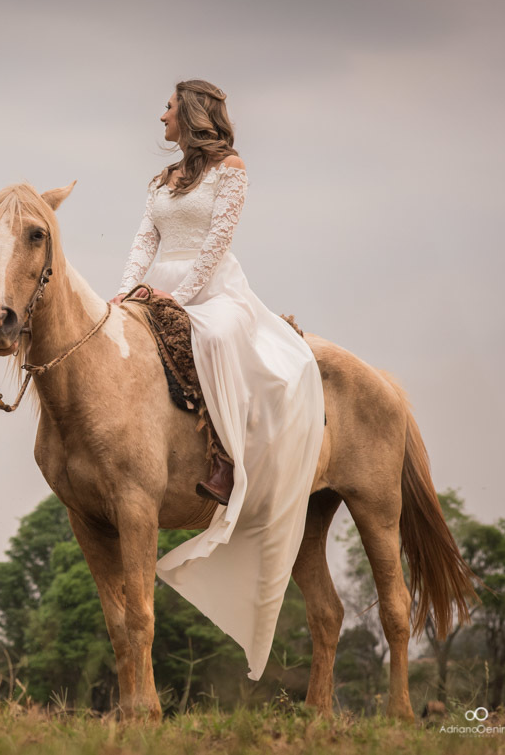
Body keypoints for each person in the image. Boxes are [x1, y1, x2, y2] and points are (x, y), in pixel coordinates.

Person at [112, 80, 325, 677]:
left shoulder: (231, 171)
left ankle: (226, 458)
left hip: (213, 290)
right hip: (154, 285)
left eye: (169, 108)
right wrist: (129, 289)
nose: (161, 115)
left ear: (191, 115)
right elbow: (143, 239)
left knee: (215, 336)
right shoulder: (160, 182)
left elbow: (215, 243)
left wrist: (177, 298)